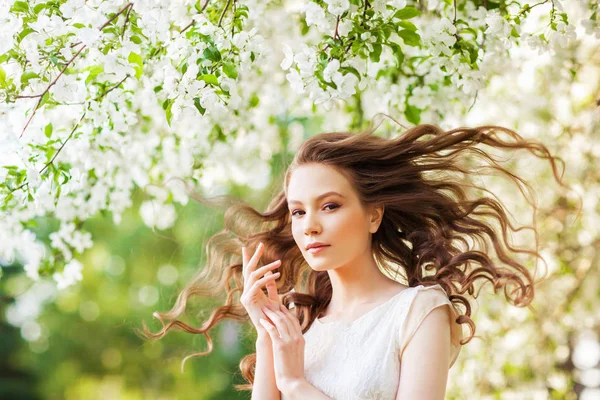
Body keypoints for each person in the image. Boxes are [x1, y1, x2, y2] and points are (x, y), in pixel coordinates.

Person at [139, 113, 567, 399]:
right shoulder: (296, 323)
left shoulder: (418, 312)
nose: (308, 226)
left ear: (373, 215)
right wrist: (268, 330)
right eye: (297, 211)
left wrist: (295, 382)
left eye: (329, 206)